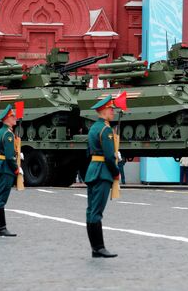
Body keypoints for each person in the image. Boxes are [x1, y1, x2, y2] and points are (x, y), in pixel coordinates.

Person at [85, 95, 120, 258]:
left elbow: (88, 151)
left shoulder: (93, 128)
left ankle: (95, 247)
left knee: (91, 210)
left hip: (93, 170)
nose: (113, 112)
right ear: (104, 110)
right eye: (111, 109)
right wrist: (116, 172)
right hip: (103, 172)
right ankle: (99, 247)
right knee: (96, 211)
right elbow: (108, 156)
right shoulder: (106, 130)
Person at [0, 104, 22, 237]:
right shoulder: (8, 134)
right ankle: (1, 228)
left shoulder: (1, 132)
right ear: (6, 119)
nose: (15, 118)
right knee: (1, 199)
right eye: (12, 116)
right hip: (6, 168)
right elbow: (9, 157)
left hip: (2, 166)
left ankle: (0, 228)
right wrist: (17, 169)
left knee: (0, 198)